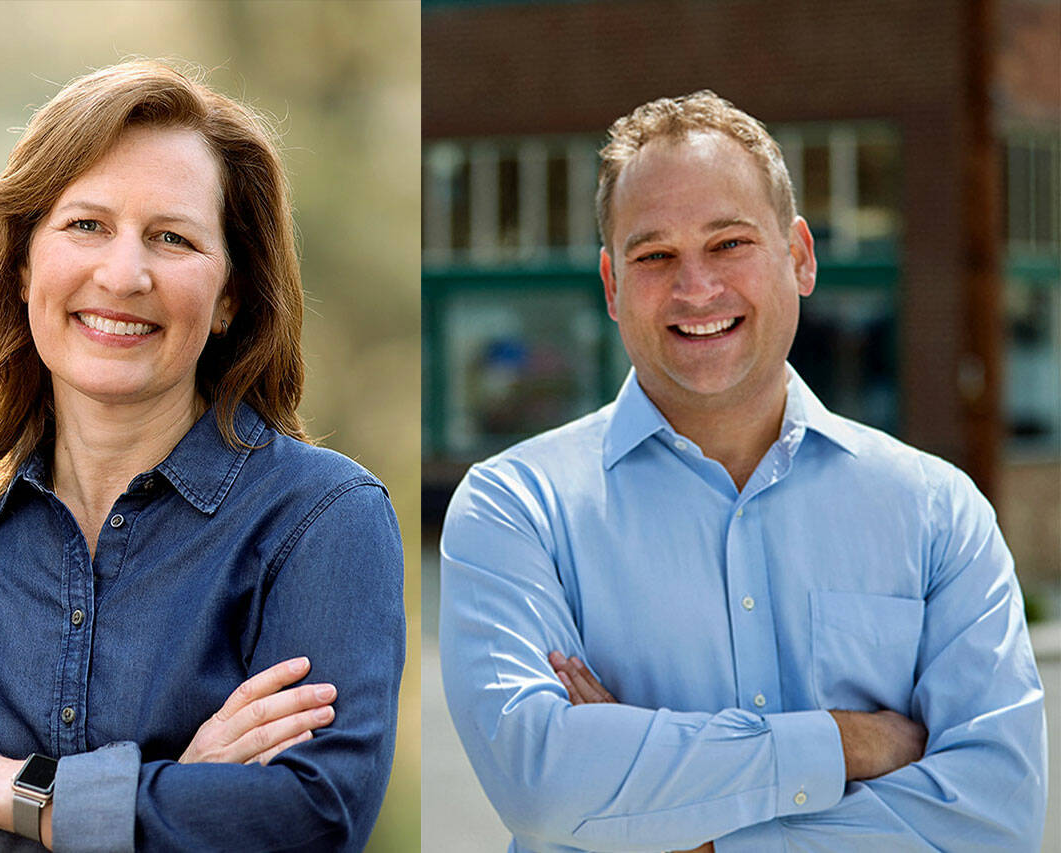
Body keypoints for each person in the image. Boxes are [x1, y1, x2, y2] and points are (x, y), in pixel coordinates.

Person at [0, 60, 405, 852]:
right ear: (22, 265)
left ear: (230, 295)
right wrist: (172, 794)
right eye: (86, 225)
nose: (123, 274)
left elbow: (307, 818)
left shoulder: (322, 522)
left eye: (173, 237)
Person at [439, 91, 1046, 852]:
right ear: (611, 286)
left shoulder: (937, 512)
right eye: (654, 255)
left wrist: (684, 827)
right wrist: (844, 744)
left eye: (729, 243)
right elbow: (543, 781)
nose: (696, 288)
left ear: (799, 256)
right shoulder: (516, 507)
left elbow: (996, 816)